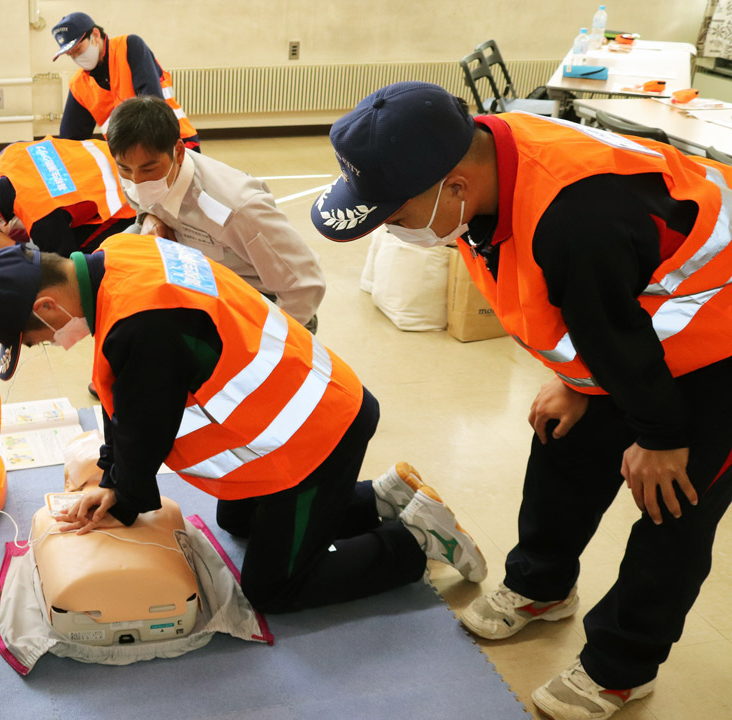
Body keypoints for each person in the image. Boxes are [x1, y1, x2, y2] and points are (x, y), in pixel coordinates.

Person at [311, 80, 732, 720]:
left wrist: (661, 437)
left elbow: (611, 318)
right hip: (637, 317)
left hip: (718, 342)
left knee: (671, 507)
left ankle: (621, 667)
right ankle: (542, 584)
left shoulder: (574, 217)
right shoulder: (485, 169)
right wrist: (576, 380)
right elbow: (597, 311)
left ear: (455, 186)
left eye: (393, 215)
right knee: (562, 437)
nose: (390, 230)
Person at [0, 238, 487, 615]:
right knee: (236, 519)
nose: (51, 342)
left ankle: (419, 539)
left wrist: (118, 494)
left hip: (313, 437)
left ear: (47, 306)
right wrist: (112, 478)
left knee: (273, 589)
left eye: (38, 337)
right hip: (302, 404)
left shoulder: (141, 326)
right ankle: (383, 496)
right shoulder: (126, 253)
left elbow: (146, 430)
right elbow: (131, 409)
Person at [107, 96, 325, 331]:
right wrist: (149, 217)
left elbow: (306, 284)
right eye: (125, 168)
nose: (137, 181)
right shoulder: (133, 172)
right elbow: (141, 201)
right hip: (203, 275)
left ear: (179, 153)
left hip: (261, 301)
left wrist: (267, 340)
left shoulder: (238, 208)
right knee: (123, 256)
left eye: (149, 169)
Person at [0, 136, 136, 266]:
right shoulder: (9, 153)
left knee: (85, 258)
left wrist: (12, 247)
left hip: (130, 193)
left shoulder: (40, 218)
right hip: (115, 151)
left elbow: (65, 268)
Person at [51, 12, 199, 151]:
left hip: (176, 143)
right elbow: (70, 141)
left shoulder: (129, 47)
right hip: (130, 159)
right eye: (71, 55)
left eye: (78, 49)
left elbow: (152, 106)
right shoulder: (79, 85)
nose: (77, 57)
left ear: (95, 35)